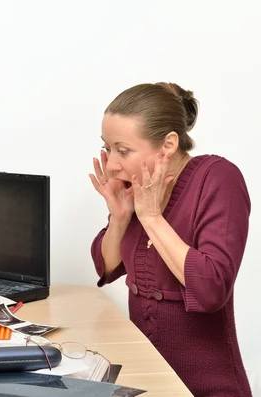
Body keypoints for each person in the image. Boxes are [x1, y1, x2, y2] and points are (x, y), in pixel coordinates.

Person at [89, 82, 252, 396]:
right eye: (107, 148)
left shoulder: (219, 178)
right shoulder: (138, 185)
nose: (111, 163)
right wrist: (121, 218)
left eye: (123, 150)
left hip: (206, 390)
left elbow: (210, 289)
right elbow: (106, 267)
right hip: (149, 384)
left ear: (168, 144)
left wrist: (151, 217)